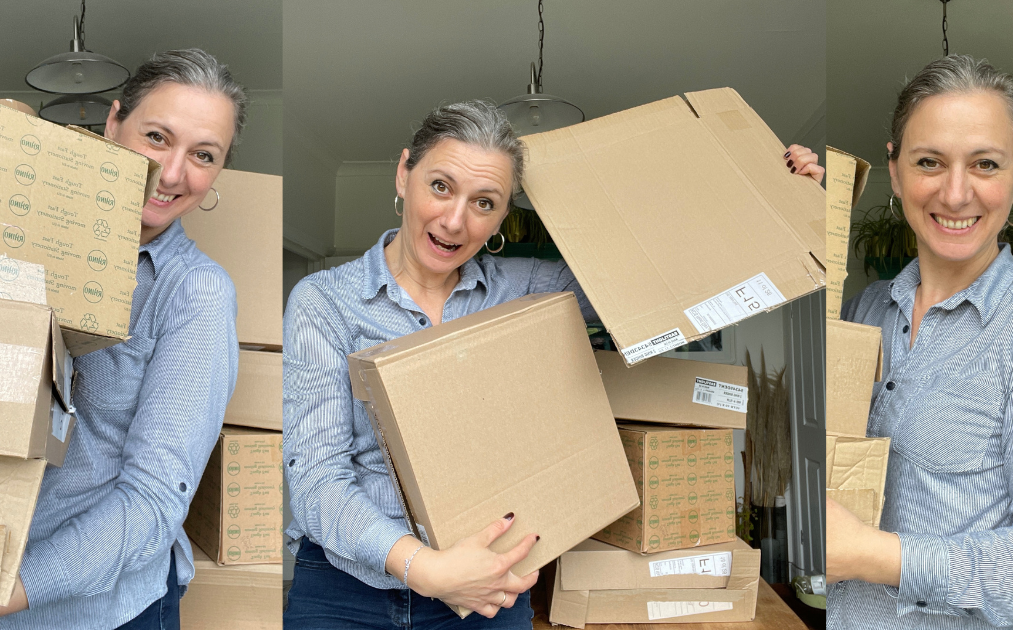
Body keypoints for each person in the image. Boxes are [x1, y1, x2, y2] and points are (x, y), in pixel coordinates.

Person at [281, 98, 822, 628]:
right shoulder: (325, 302)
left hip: (491, 593)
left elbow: (657, 268)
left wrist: (767, 190)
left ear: (501, 219)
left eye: (484, 202)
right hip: (346, 595)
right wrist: (427, 569)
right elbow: (317, 478)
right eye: (440, 186)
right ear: (404, 174)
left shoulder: (531, 288)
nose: (454, 220)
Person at [0, 48, 247, 630]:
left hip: (88, 611)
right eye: (156, 136)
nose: (172, 174)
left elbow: (153, 497)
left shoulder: (195, 294)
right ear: (112, 123)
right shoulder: (26, 229)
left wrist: (18, 589)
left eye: (203, 155)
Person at [826, 55, 1013, 629]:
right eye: (929, 161)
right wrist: (800, 203)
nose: (956, 194)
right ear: (896, 170)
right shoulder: (864, 310)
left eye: (984, 163)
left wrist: (874, 556)